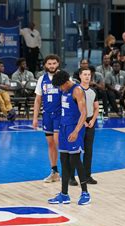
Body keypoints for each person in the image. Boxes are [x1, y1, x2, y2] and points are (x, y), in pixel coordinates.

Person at [48, 70, 90, 205]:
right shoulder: (63, 89)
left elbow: (84, 113)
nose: (60, 89)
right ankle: (64, 194)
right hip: (64, 128)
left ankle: (85, 193)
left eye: (61, 86)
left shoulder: (77, 90)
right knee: (64, 160)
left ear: (66, 83)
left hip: (74, 128)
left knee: (76, 160)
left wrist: (77, 131)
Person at [33, 54, 62, 183]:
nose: (52, 66)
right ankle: (54, 172)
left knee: (58, 142)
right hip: (47, 115)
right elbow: (38, 100)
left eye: (54, 63)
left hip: (60, 115)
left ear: (58, 64)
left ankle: (69, 171)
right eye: (49, 64)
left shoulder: (64, 77)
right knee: (50, 144)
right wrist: (35, 118)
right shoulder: (42, 79)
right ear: (45, 65)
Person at [75, 66, 98, 185]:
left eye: (89, 75)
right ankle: (71, 177)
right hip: (78, 122)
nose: (87, 77)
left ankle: (87, 176)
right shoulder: (76, 90)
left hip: (90, 121)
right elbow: (74, 109)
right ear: (80, 76)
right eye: (85, 74)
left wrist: (93, 120)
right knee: (75, 151)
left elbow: (96, 108)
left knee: (88, 151)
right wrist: (82, 121)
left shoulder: (93, 91)